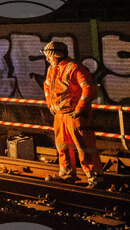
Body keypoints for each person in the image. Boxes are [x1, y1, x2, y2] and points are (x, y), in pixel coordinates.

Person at [42, 41, 103, 188]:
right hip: (61, 115)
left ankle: (95, 178)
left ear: (57, 55)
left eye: (49, 56)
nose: (47, 59)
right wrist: (50, 104)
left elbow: (89, 90)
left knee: (85, 147)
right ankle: (67, 174)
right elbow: (47, 87)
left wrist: (79, 109)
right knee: (63, 146)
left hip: (75, 116)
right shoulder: (53, 69)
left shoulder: (76, 69)